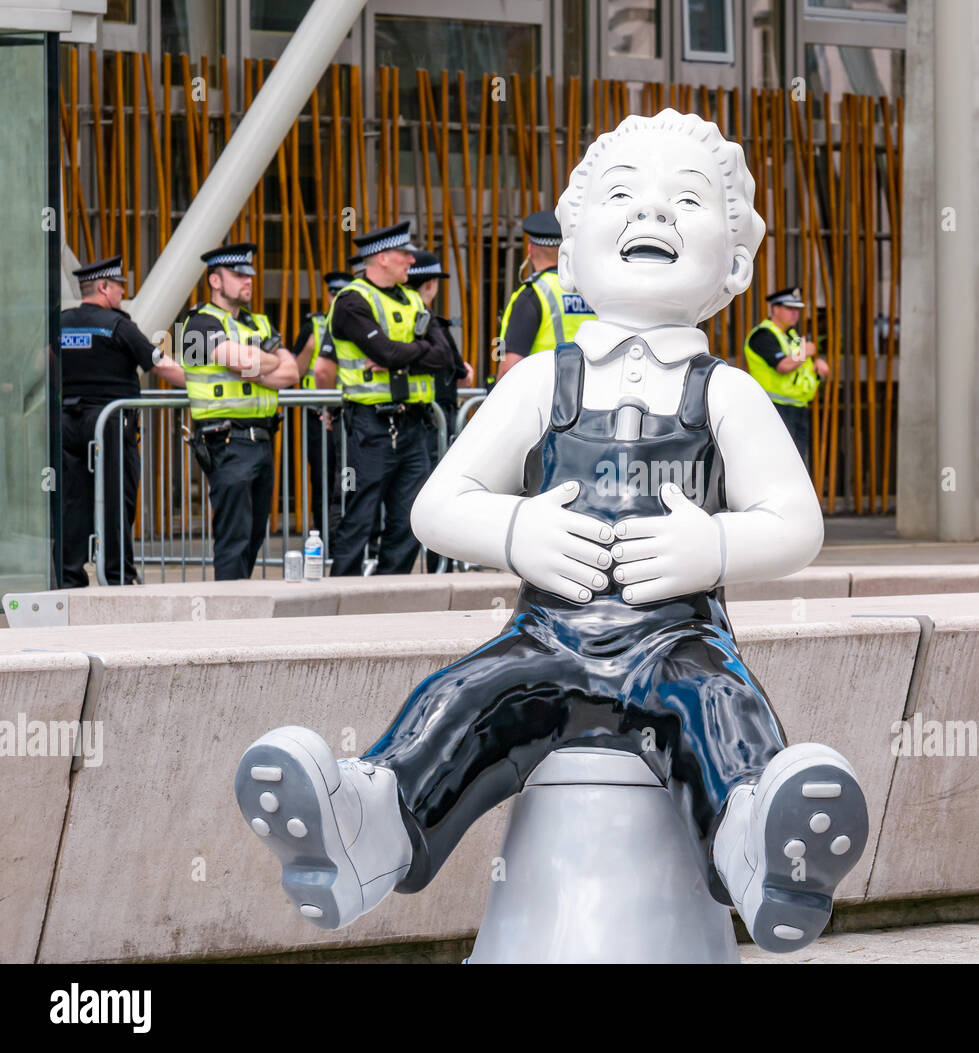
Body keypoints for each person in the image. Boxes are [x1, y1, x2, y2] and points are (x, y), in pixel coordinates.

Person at [237, 108, 868, 956]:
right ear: (571, 254)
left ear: (738, 260)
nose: (652, 216)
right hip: (545, 639)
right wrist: (517, 527)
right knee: (460, 699)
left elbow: (796, 524)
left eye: (685, 201)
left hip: (674, 642)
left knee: (723, 709)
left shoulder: (725, 392)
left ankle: (760, 847)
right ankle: (368, 823)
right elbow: (439, 502)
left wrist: (712, 547)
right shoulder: (542, 378)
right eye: (624, 196)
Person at [325, 222, 459, 576]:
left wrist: (399, 355)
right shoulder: (352, 301)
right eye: (403, 254)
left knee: (408, 517)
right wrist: (409, 353)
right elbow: (385, 352)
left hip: (413, 423)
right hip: (369, 425)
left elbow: (445, 357)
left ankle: (389, 591)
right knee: (360, 514)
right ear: (382, 258)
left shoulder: (411, 298)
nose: (410, 260)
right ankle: (343, 592)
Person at [59, 256, 185, 587]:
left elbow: (40, 362)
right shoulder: (118, 325)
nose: (121, 294)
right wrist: (201, 384)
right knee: (117, 498)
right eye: (118, 287)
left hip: (66, 424)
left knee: (72, 500)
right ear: (103, 287)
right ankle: (117, 576)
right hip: (110, 426)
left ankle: (68, 575)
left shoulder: (60, 323)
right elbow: (159, 364)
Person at [179, 244, 298, 580]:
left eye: (250, 274)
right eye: (239, 274)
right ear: (215, 281)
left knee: (254, 534)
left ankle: (239, 606)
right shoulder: (198, 323)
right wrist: (258, 364)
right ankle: (227, 615)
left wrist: (255, 365)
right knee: (234, 536)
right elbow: (245, 360)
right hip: (226, 440)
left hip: (260, 438)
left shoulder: (256, 321)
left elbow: (291, 373)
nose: (249, 280)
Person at [406, 249, 474, 572]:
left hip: (427, 419)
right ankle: (439, 565)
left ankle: (438, 565)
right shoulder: (427, 321)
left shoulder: (412, 321)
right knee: (435, 496)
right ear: (431, 284)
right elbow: (458, 367)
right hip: (433, 422)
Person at [494, 208, 596, 379]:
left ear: (530, 250)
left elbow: (509, 366)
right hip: (591, 396)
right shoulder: (592, 290)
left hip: (545, 398)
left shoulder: (532, 295)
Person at [292, 270, 351, 538]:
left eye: (342, 292)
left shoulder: (358, 323)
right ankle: (326, 538)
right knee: (324, 478)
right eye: (332, 292)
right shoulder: (314, 327)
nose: (336, 297)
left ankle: (349, 537)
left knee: (350, 477)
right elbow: (294, 370)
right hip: (320, 417)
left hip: (353, 413)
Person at [743, 287, 828, 467]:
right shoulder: (763, 335)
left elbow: (799, 369)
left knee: (796, 465)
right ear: (775, 309)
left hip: (798, 408)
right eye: (789, 308)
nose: (794, 314)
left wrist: (816, 370)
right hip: (774, 409)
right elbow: (783, 366)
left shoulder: (791, 335)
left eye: (797, 309)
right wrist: (805, 353)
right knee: (778, 464)